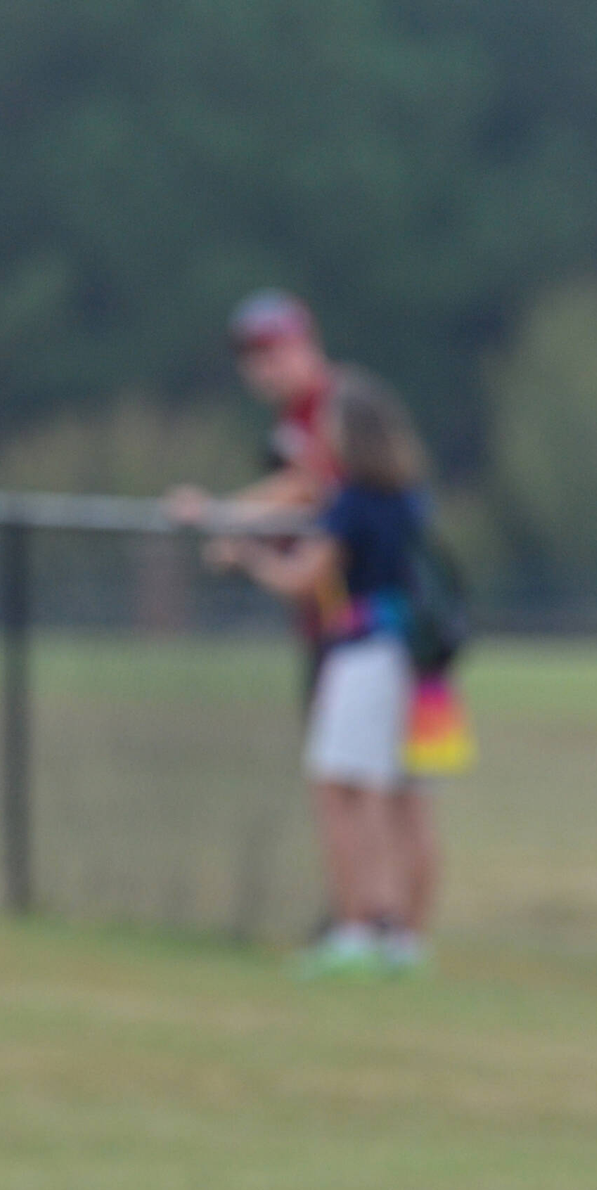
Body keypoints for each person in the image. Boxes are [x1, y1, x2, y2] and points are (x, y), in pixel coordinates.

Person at [171, 291, 442, 977]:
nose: (264, 368)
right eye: (254, 356)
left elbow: (305, 535)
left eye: (275, 349)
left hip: (361, 646)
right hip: (419, 653)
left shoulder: (342, 472)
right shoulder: (402, 497)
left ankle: (364, 927)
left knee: (350, 785)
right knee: (401, 789)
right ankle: (401, 937)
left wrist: (230, 527)